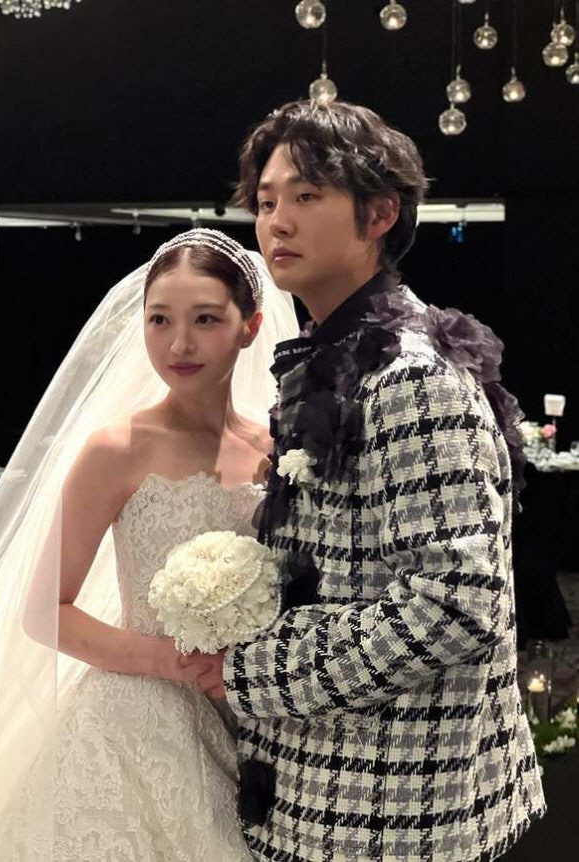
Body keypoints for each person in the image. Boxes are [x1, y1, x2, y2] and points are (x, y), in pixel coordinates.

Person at [202, 101, 546, 862]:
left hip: (389, 809)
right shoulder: (340, 354)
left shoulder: (410, 375)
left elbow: (457, 604)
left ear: (380, 214)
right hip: (343, 786)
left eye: (306, 195)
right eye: (266, 202)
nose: (277, 222)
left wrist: (251, 671)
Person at [0, 228, 299, 861]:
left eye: (205, 319)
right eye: (160, 320)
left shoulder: (277, 451)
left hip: (255, 716)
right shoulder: (117, 449)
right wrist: (167, 661)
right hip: (137, 715)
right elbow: (44, 610)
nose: (179, 344)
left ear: (250, 326)